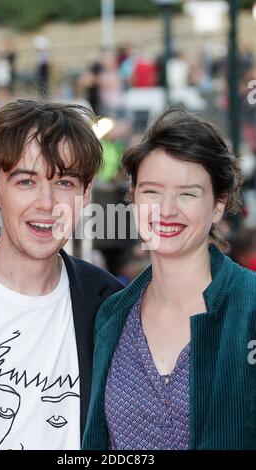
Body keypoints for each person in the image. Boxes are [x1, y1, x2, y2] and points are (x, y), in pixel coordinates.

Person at [82, 109, 256, 450]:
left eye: (188, 194)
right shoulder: (111, 316)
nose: (166, 210)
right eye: (151, 192)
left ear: (219, 205)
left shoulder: (249, 306)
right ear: (132, 199)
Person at [0, 99, 122, 450]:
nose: (46, 202)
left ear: (85, 193)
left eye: (63, 182)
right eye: (26, 182)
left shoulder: (108, 303)